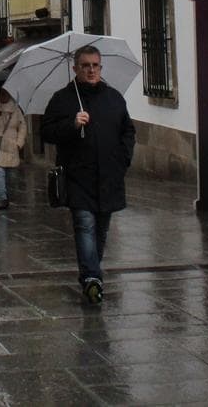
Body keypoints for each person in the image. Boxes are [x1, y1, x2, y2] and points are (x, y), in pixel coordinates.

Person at [40, 45, 135, 305]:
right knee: (84, 224)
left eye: (95, 65)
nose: (91, 70)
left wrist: (123, 159)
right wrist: (71, 125)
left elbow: (128, 130)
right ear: (75, 68)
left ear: (100, 67)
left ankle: (92, 274)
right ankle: (92, 277)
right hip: (78, 176)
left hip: (109, 176)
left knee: (101, 230)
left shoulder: (114, 98)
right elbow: (46, 132)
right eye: (85, 66)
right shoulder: (63, 99)